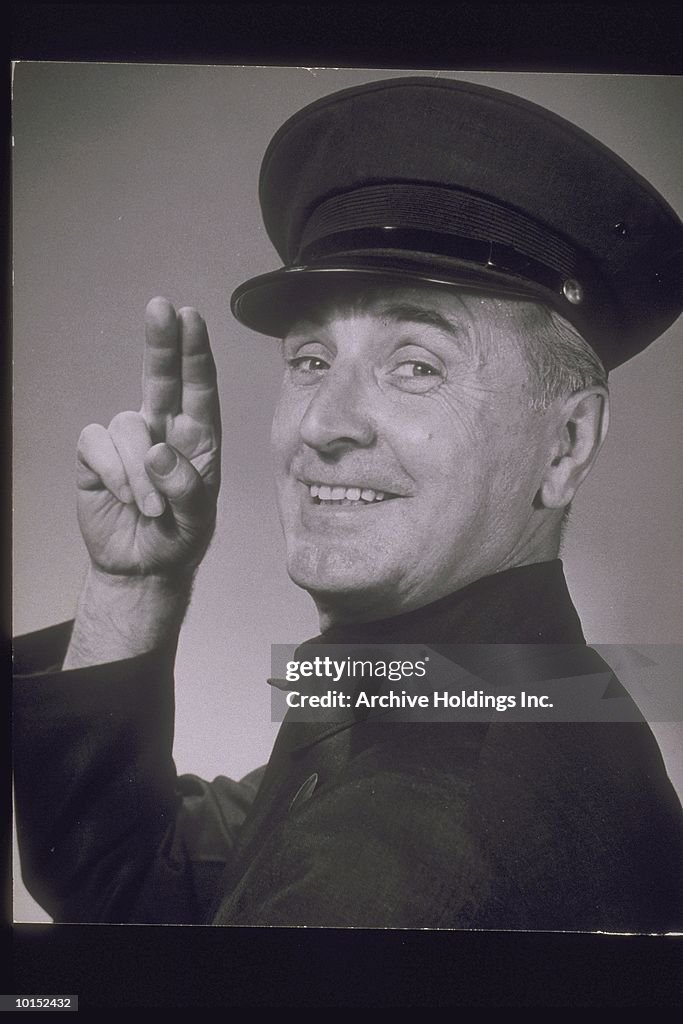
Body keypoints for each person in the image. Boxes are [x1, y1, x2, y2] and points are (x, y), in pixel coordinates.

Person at [13, 76, 683, 930]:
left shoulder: (395, 858)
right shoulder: (490, 688)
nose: (322, 425)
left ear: (564, 446)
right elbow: (147, 885)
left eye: (416, 365)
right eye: (310, 360)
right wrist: (132, 585)